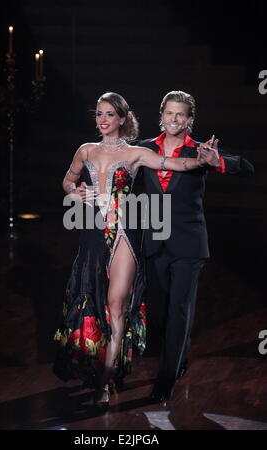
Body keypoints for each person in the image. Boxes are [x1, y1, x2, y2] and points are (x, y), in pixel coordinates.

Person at [53, 92, 203, 409]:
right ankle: (102, 368)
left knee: (116, 304)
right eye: (99, 114)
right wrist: (75, 191)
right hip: (92, 233)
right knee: (92, 299)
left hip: (124, 233)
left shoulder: (136, 153)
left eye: (110, 114)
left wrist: (202, 160)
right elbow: (67, 180)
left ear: (122, 118)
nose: (103, 120)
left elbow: (172, 162)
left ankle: (106, 382)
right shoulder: (85, 150)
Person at [138, 90, 254, 403]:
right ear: (161, 116)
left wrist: (217, 162)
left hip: (189, 244)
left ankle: (166, 378)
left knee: (179, 309)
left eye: (181, 115)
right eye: (169, 113)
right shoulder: (143, 149)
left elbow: (246, 167)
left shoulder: (201, 151)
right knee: (161, 312)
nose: (174, 119)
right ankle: (179, 352)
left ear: (190, 119)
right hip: (153, 241)